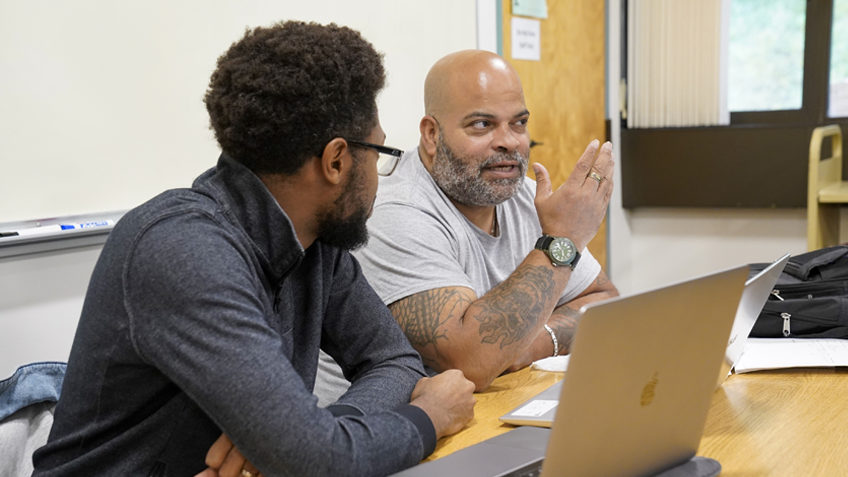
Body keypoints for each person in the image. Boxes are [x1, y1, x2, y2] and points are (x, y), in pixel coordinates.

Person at [31, 21, 475, 477]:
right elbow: (319, 462)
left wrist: (312, 434)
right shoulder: (184, 251)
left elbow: (392, 360)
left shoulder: (316, 240)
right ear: (336, 160)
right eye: (378, 153)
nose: (379, 173)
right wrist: (428, 417)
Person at [312, 50, 618, 403]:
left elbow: (603, 302)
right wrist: (563, 239)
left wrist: (529, 344)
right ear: (431, 134)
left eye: (519, 123)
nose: (509, 141)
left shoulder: (524, 196)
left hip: (483, 409)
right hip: (376, 427)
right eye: (482, 125)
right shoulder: (394, 209)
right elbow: (472, 362)